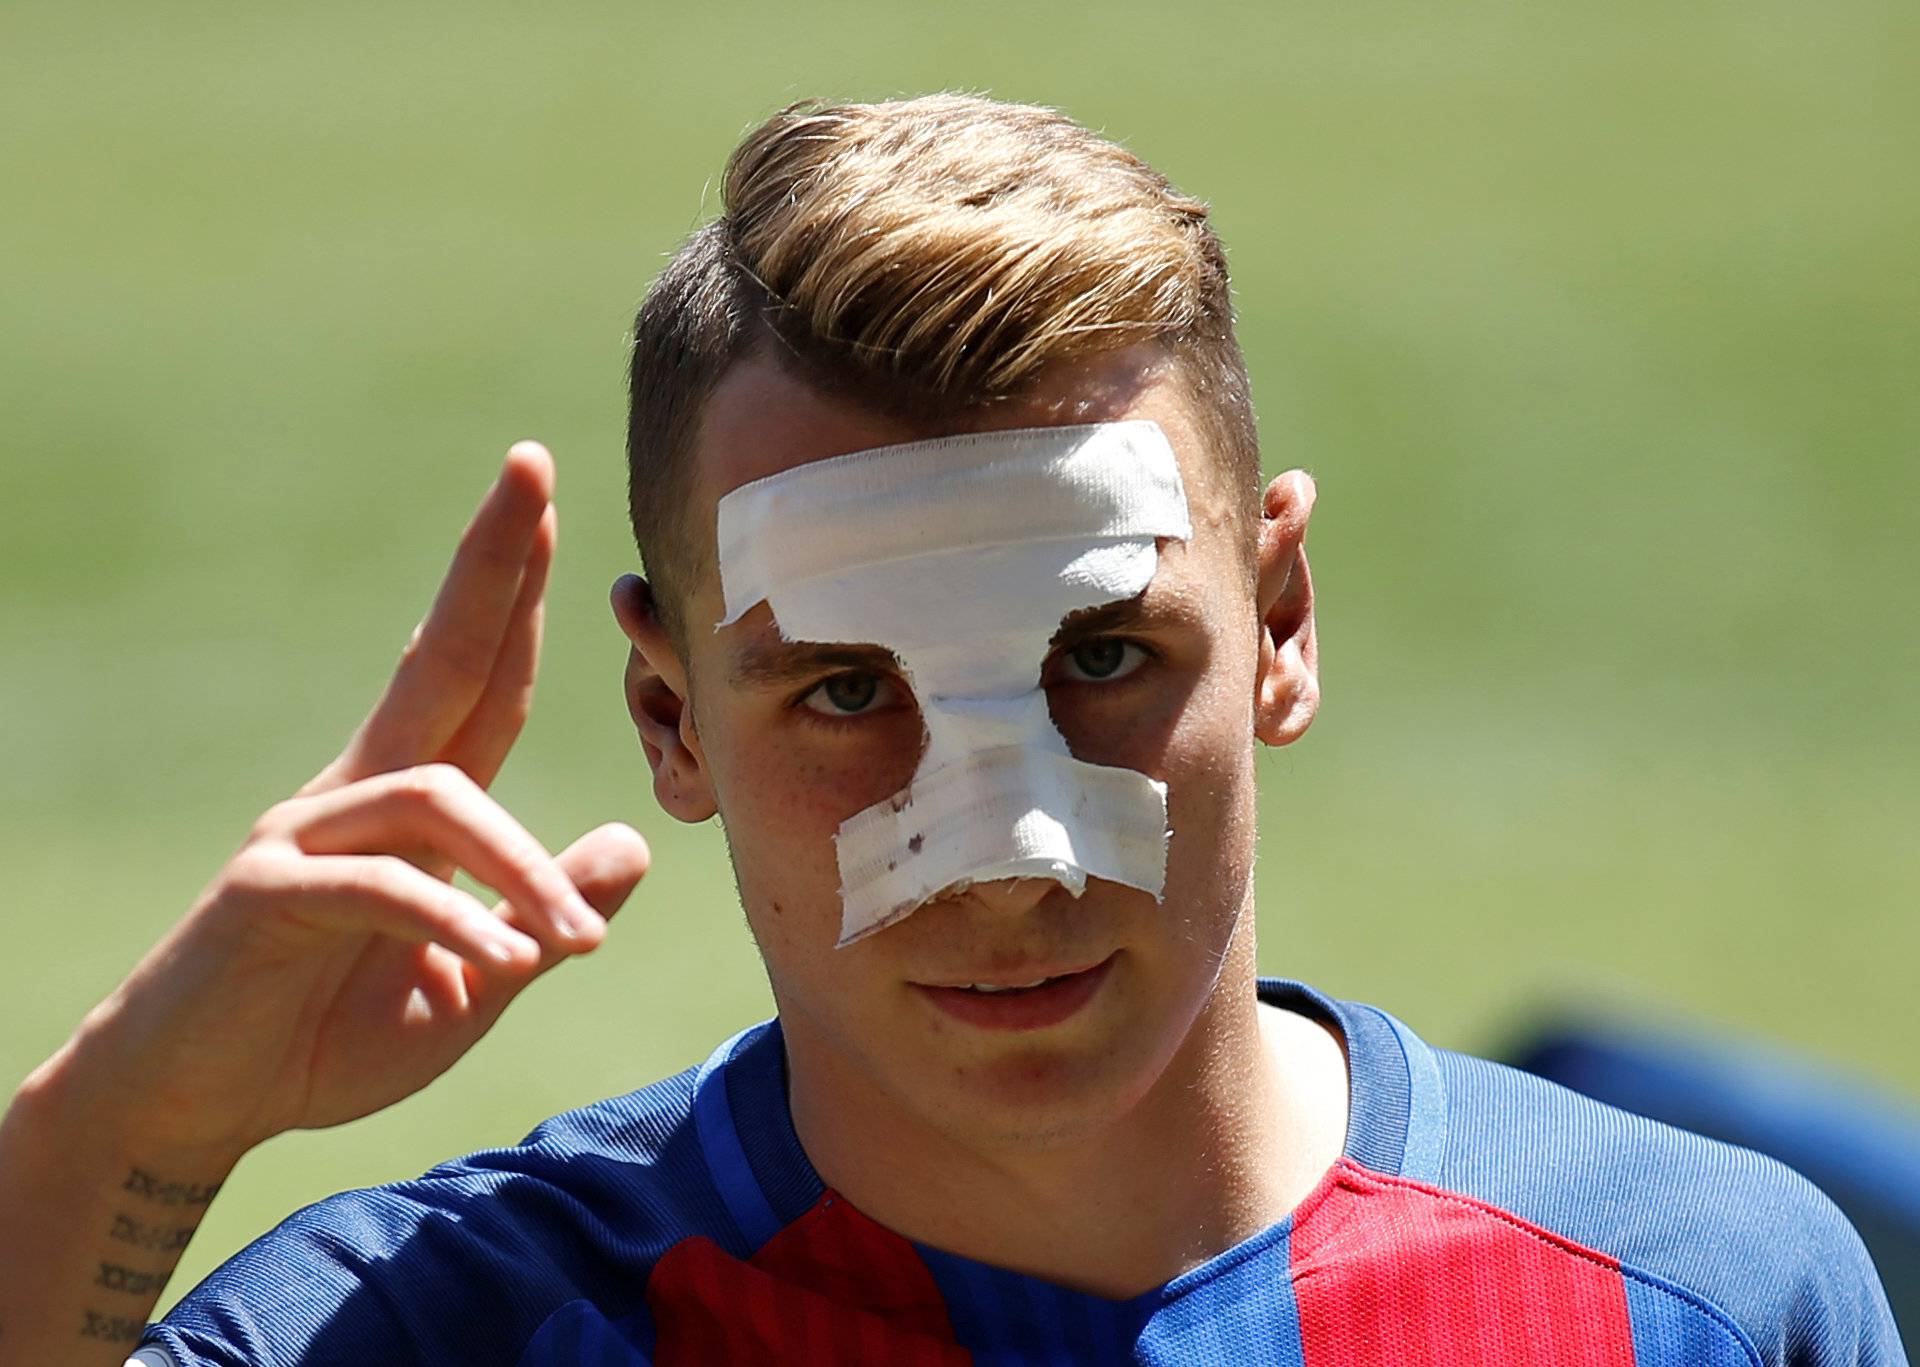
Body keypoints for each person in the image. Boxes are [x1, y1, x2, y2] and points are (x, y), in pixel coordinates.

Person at [0, 93, 1904, 1367]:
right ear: (668, 716)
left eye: (1101, 660)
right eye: (848, 693)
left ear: (1284, 621)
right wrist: (128, 1132)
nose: (1011, 852)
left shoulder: (1702, 1303)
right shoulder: (449, 1330)